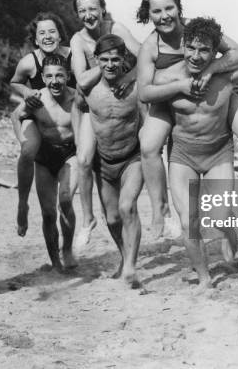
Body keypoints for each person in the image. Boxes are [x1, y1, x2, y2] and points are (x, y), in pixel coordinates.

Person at [136, 0, 238, 238]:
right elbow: (144, 93)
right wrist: (180, 85)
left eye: (169, 8)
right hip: (170, 97)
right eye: (157, 11)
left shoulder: (197, 28)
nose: (164, 16)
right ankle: (159, 207)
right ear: (148, 14)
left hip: (211, 93)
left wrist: (211, 69)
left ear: (179, 7)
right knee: (148, 145)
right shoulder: (151, 45)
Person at [157, 17, 238, 289]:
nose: (196, 56)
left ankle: (229, 233)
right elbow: (145, 101)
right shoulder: (167, 77)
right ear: (183, 45)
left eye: (204, 50)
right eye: (191, 48)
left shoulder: (228, 74)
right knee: (187, 221)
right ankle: (204, 278)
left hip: (219, 151)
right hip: (183, 154)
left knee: (220, 216)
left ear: (215, 52)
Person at [69, 0, 140, 248]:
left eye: (93, 9)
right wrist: (103, 63)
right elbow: (81, 81)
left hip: (123, 98)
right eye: (82, 10)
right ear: (77, 14)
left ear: (102, 9)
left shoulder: (116, 28)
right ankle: (87, 220)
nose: (89, 15)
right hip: (92, 106)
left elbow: (144, 55)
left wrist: (129, 76)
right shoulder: (78, 40)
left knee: (151, 146)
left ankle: (163, 211)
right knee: (84, 158)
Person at [84, 34, 144, 288]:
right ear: (96, 59)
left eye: (115, 59)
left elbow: (149, 118)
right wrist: (82, 144)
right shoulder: (88, 89)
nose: (110, 65)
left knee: (127, 207)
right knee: (111, 218)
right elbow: (76, 109)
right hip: (103, 161)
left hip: (132, 157)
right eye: (105, 59)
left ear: (124, 60)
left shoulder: (136, 88)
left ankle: (130, 265)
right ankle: (124, 256)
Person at [9, 12, 75, 237]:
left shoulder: (73, 57)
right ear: (35, 39)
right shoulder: (30, 61)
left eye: (52, 32)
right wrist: (27, 91)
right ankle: (22, 203)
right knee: (28, 150)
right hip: (36, 113)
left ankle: (89, 218)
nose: (47, 37)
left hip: (66, 118)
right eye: (42, 33)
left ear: (61, 35)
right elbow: (15, 81)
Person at [24, 54, 79, 271]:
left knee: (65, 201)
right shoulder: (37, 99)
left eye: (59, 75)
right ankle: (55, 259)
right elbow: (16, 116)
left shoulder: (77, 99)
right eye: (49, 76)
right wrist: (24, 144)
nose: (54, 81)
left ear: (68, 76)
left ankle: (67, 248)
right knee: (48, 212)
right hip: (44, 157)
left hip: (69, 153)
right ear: (43, 77)